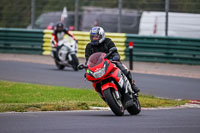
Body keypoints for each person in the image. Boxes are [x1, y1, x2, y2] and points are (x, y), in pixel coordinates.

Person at [85, 26, 140, 93]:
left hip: (110, 61)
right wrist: (86, 68)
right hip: (98, 66)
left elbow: (115, 51)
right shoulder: (89, 46)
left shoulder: (108, 41)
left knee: (123, 68)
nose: (94, 38)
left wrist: (115, 57)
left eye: (96, 36)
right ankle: (102, 93)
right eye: (93, 37)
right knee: (90, 77)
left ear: (101, 36)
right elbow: (88, 60)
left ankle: (132, 85)